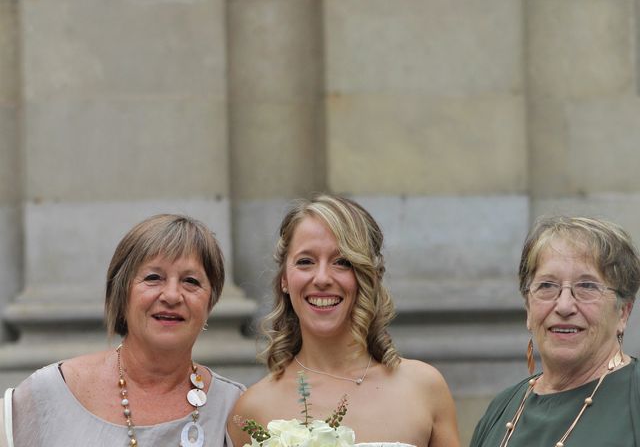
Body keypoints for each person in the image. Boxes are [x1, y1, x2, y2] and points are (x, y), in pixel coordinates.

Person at [228, 194, 459, 447]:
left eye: (342, 262)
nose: (322, 278)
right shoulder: (253, 408)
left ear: (367, 276)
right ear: (284, 278)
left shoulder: (424, 388)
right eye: (306, 262)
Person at [4, 214, 244, 446]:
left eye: (191, 281)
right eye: (153, 277)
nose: (172, 295)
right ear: (121, 294)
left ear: (210, 300)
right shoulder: (49, 393)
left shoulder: (235, 408)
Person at [470, 216, 640, 447]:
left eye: (587, 286)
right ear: (528, 309)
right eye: (547, 286)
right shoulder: (502, 408)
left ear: (623, 312)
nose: (564, 306)